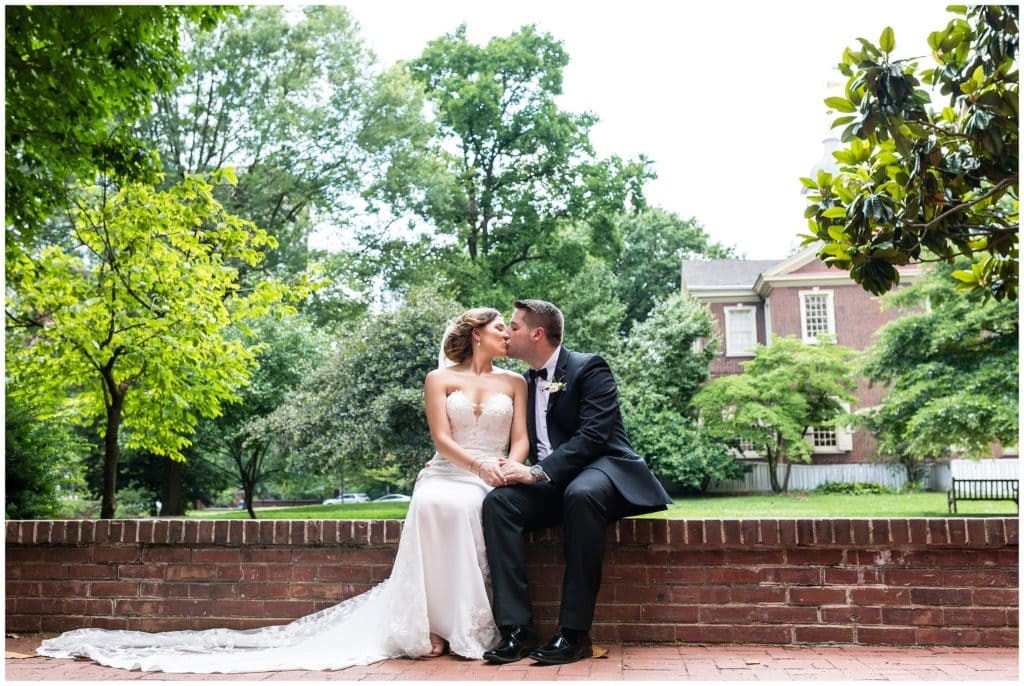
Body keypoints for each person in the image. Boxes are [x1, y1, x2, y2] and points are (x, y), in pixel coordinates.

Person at [36, 307, 529, 673]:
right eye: (499, 328)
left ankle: (465, 624)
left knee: (471, 507)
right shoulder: (437, 378)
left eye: (509, 329)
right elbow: (441, 439)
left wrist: (508, 468)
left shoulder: (516, 383)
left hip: (492, 475)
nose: (507, 334)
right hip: (449, 470)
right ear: (474, 334)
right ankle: (429, 626)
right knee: (438, 504)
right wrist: (479, 466)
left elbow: (522, 438)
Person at [481, 299, 672, 666]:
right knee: (498, 504)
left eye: (514, 327)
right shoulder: (524, 382)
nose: (507, 332)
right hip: (556, 483)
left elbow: (594, 436)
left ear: (537, 334)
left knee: (581, 494)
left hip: (603, 470)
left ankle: (574, 634)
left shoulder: (589, 367)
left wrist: (535, 472)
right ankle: (516, 631)